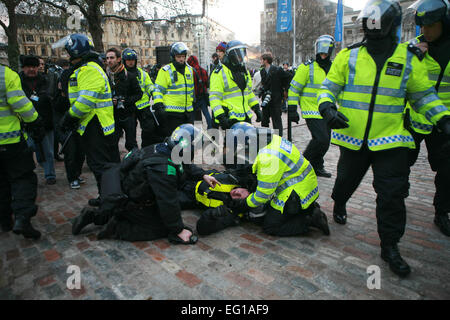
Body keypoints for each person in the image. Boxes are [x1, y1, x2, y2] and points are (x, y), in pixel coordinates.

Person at [317, 0, 450, 277]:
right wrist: (327, 107)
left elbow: (424, 95)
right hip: (354, 139)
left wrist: (443, 118)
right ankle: (340, 201)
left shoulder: (408, 58)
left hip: (391, 141)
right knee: (344, 183)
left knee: (391, 195)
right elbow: (329, 88)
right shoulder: (348, 56)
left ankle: (390, 246)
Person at [71, 124, 220, 243]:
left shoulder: (163, 148)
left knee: (156, 213)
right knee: (161, 227)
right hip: (132, 202)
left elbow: (184, 165)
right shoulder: (164, 170)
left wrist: (203, 175)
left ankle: (96, 215)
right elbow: (168, 201)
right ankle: (117, 227)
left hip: (130, 194)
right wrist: (178, 230)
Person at [222, 122, 330, 237]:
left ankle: (310, 219)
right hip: (305, 185)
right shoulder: (271, 139)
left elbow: (263, 194)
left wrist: (245, 203)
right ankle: (308, 209)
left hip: (296, 192)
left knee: (271, 226)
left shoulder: (268, 158)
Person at [53, 33, 120, 207]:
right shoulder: (88, 68)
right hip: (93, 124)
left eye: (69, 52)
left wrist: (69, 116)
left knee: (101, 167)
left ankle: (109, 202)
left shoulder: (89, 69)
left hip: (96, 126)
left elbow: (85, 101)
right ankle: (106, 196)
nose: (68, 56)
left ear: (76, 51)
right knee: (101, 166)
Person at [406, 0, 450, 237]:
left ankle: (441, 211)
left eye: (431, 26)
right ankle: (399, 196)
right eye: (422, 26)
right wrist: (410, 57)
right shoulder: (413, 46)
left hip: (445, 123)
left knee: (447, 170)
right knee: (401, 164)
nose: (425, 31)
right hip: (415, 120)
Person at [0, 64, 46, 239]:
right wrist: (35, 121)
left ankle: (5, 220)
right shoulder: (6, 75)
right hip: (10, 140)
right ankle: (22, 218)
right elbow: (21, 104)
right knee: (23, 178)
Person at [288, 35, 336, 178]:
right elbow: (294, 89)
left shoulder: (334, 68)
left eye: (326, 52)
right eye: (321, 52)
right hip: (312, 110)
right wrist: (292, 109)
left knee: (326, 142)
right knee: (321, 139)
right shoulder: (306, 67)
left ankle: (317, 166)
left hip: (328, 110)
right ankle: (301, 166)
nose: (323, 55)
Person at [19, 55, 57, 185]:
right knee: (28, 150)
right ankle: (27, 176)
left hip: (45, 121)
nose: (32, 69)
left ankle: (50, 174)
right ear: (23, 68)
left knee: (48, 152)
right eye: (28, 67)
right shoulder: (17, 82)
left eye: (34, 67)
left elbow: (51, 97)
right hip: (25, 123)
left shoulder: (45, 80)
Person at [209, 40, 262, 130]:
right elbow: (214, 97)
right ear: (231, 55)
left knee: (248, 143)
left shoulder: (244, 72)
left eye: (242, 54)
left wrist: (256, 108)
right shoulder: (219, 72)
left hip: (245, 117)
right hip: (230, 119)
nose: (241, 57)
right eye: (238, 54)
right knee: (232, 144)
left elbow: (248, 93)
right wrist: (221, 117)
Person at [53, 62, 86, 189]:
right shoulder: (59, 95)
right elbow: (57, 108)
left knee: (80, 152)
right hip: (65, 125)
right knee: (70, 152)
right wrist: (62, 94)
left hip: (78, 124)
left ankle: (77, 174)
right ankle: (72, 177)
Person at [121, 48, 163, 148]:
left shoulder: (143, 73)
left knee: (149, 129)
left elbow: (149, 86)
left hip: (143, 106)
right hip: (129, 107)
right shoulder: (121, 74)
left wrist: (154, 93)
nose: (131, 62)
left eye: (132, 60)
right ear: (124, 61)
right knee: (130, 132)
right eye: (128, 60)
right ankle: (133, 153)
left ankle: (146, 149)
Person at [152, 42, 195, 138]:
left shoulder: (190, 70)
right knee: (174, 141)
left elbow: (191, 89)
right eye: (178, 56)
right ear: (173, 57)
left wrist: (192, 104)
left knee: (188, 141)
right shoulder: (165, 71)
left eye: (183, 56)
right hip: (172, 114)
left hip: (188, 113)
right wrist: (159, 105)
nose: (181, 59)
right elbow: (158, 90)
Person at [105, 47, 143, 152]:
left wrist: (125, 101)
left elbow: (139, 94)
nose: (109, 60)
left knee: (131, 143)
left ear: (118, 59)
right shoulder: (104, 76)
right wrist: (110, 100)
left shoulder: (129, 76)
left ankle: (135, 164)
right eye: (107, 58)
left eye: (112, 58)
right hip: (112, 115)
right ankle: (115, 166)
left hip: (128, 114)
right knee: (112, 143)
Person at [259, 52, 291, 137]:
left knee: (276, 121)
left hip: (276, 99)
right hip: (266, 99)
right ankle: (265, 139)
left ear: (265, 60)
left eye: (261, 60)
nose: (260, 61)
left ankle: (278, 139)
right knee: (264, 120)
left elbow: (288, 78)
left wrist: (285, 90)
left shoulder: (278, 70)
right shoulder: (262, 71)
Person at [187, 55, 213, 129]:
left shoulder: (191, 72)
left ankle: (192, 130)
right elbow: (207, 84)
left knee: (192, 116)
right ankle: (210, 128)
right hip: (203, 96)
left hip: (194, 98)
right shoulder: (204, 70)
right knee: (206, 114)